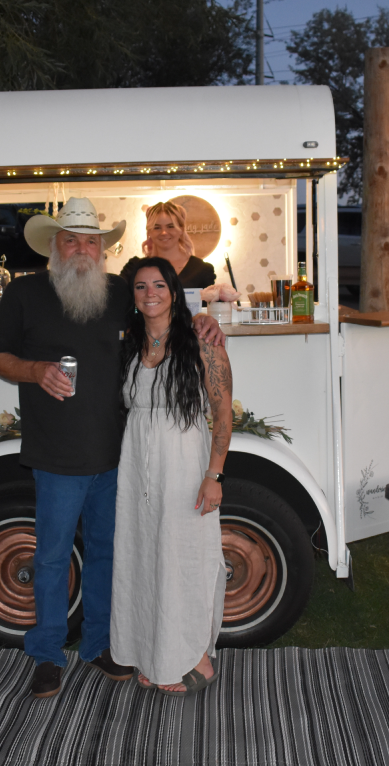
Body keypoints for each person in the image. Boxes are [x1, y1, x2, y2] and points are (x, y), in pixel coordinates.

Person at [0, 198, 224, 699]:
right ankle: (47, 655)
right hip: (55, 455)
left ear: (104, 249)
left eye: (92, 240)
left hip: (119, 458)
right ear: (54, 245)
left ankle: (98, 646)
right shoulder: (25, 294)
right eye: (71, 239)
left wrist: (205, 319)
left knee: (109, 555)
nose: (82, 249)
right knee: (50, 558)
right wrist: (33, 370)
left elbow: (166, 307)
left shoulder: (120, 293)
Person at [111, 256, 232, 696]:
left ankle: (196, 653)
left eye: (159, 285)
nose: (150, 294)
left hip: (184, 461)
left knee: (187, 555)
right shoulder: (128, 342)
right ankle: (155, 650)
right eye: (141, 287)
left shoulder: (201, 339)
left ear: (174, 291)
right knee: (145, 556)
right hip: (138, 465)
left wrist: (213, 474)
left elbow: (221, 411)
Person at [120, 200, 216, 288]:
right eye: (157, 228)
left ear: (181, 230)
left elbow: (209, 305)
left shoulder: (201, 270)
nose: (164, 232)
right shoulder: (134, 268)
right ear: (149, 232)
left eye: (170, 226)